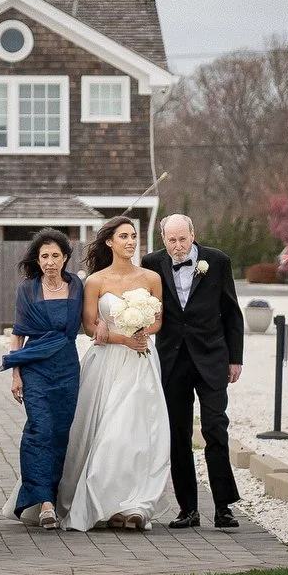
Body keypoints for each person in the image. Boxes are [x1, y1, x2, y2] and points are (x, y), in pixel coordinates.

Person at [58, 216, 178, 531]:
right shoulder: (95, 281)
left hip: (141, 361)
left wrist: (142, 330)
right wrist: (119, 335)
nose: (130, 241)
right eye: (123, 236)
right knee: (108, 433)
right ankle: (103, 502)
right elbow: (88, 326)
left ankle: (136, 504)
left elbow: (158, 320)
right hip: (107, 362)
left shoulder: (151, 277)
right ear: (110, 241)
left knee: (138, 433)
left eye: (133, 236)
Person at [142, 214, 244, 529]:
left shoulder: (217, 261)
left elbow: (232, 312)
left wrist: (235, 358)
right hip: (173, 360)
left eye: (182, 239)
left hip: (212, 357)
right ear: (163, 239)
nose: (177, 247)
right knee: (178, 435)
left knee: (215, 429)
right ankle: (188, 509)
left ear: (192, 235)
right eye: (171, 241)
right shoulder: (151, 263)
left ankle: (224, 508)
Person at [1, 229, 85, 529]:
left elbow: (89, 321)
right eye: (44, 256)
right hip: (34, 366)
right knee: (40, 428)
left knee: (61, 432)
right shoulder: (28, 289)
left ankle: (53, 494)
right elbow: (18, 331)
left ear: (65, 258)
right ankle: (45, 503)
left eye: (55, 256)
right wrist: (16, 374)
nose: (50, 262)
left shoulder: (76, 286)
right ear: (37, 260)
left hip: (67, 368)